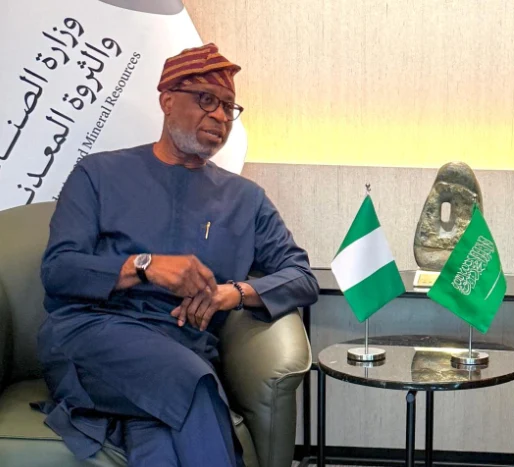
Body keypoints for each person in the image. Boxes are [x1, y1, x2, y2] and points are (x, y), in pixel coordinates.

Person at [35, 43, 319, 466]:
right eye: (206, 100)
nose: (220, 116)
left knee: (160, 447)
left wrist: (232, 294)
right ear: (167, 100)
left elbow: (302, 276)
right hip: (93, 337)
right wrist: (144, 266)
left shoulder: (245, 199)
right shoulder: (98, 173)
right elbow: (59, 270)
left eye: (228, 107)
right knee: (196, 385)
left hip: (182, 347)